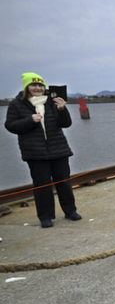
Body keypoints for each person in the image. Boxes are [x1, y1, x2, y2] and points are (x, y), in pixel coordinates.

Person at [4, 72, 82, 228]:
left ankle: (70, 211)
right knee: (42, 186)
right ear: (27, 87)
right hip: (35, 153)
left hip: (59, 150)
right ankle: (45, 217)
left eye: (40, 85)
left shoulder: (53, 102)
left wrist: (62, 109)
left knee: (64, 183)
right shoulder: (17, 104)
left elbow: (65, 124)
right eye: (33, 85)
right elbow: (10, 126)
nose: (38, 88)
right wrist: (30, 120)